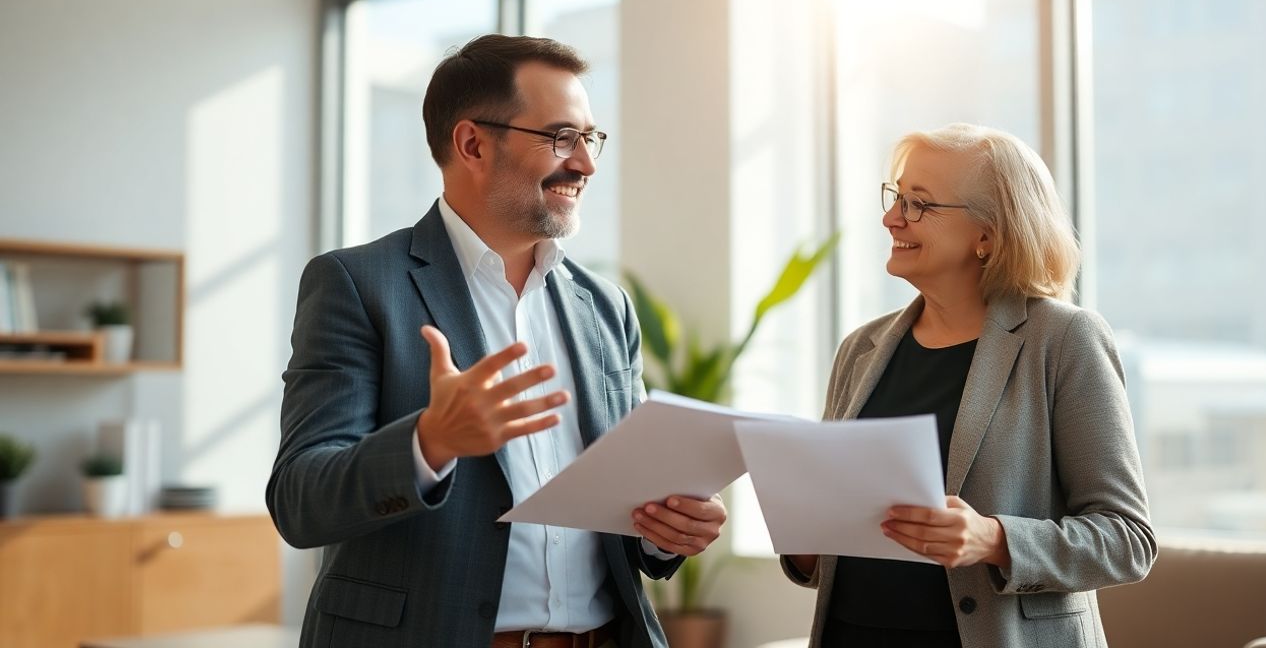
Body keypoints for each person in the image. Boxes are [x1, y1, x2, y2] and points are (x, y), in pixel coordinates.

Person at [267, 34, 726, 648]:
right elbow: (301, 498)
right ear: (472, 143)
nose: (586, 163)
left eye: (591, 139)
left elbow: (624, 506)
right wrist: (431, 442)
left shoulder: (605, 306)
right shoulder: (356, 285)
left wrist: (662, 528)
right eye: (561, 137)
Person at [781, 123, 1156, 648]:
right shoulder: (860, 349)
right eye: (896, 198)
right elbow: (831, 548)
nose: (891, 218)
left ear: (989, 234)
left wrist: (995, 540)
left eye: (920, 204)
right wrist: (804, 538)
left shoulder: (1065, 339)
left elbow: (1127, 540)